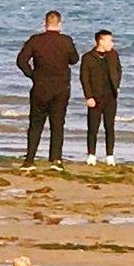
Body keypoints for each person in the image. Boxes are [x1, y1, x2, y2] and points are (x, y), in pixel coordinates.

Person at [16, 11, 79, 164]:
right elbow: (74, 59)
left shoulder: (36, 40)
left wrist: (32, 74)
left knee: (36, 124)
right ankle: (55, 159)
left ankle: (30, 159)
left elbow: (21, 60)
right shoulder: (66, 41)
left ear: (45, 24)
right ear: (60, 24)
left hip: (40, 87)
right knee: (57, 124)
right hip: (61, 88)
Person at [80, 28, 122, 165]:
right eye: (110, 40)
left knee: (110, 127)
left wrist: (117, 85)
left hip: (110, 96)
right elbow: (84, 78)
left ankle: (110, 155)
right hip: (95, 97)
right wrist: (88, 96)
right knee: (93, 127)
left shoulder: (113, 55)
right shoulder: (88, 57)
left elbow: (118, 70)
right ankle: (91, 155)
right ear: (101, 41)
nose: (112, 43)